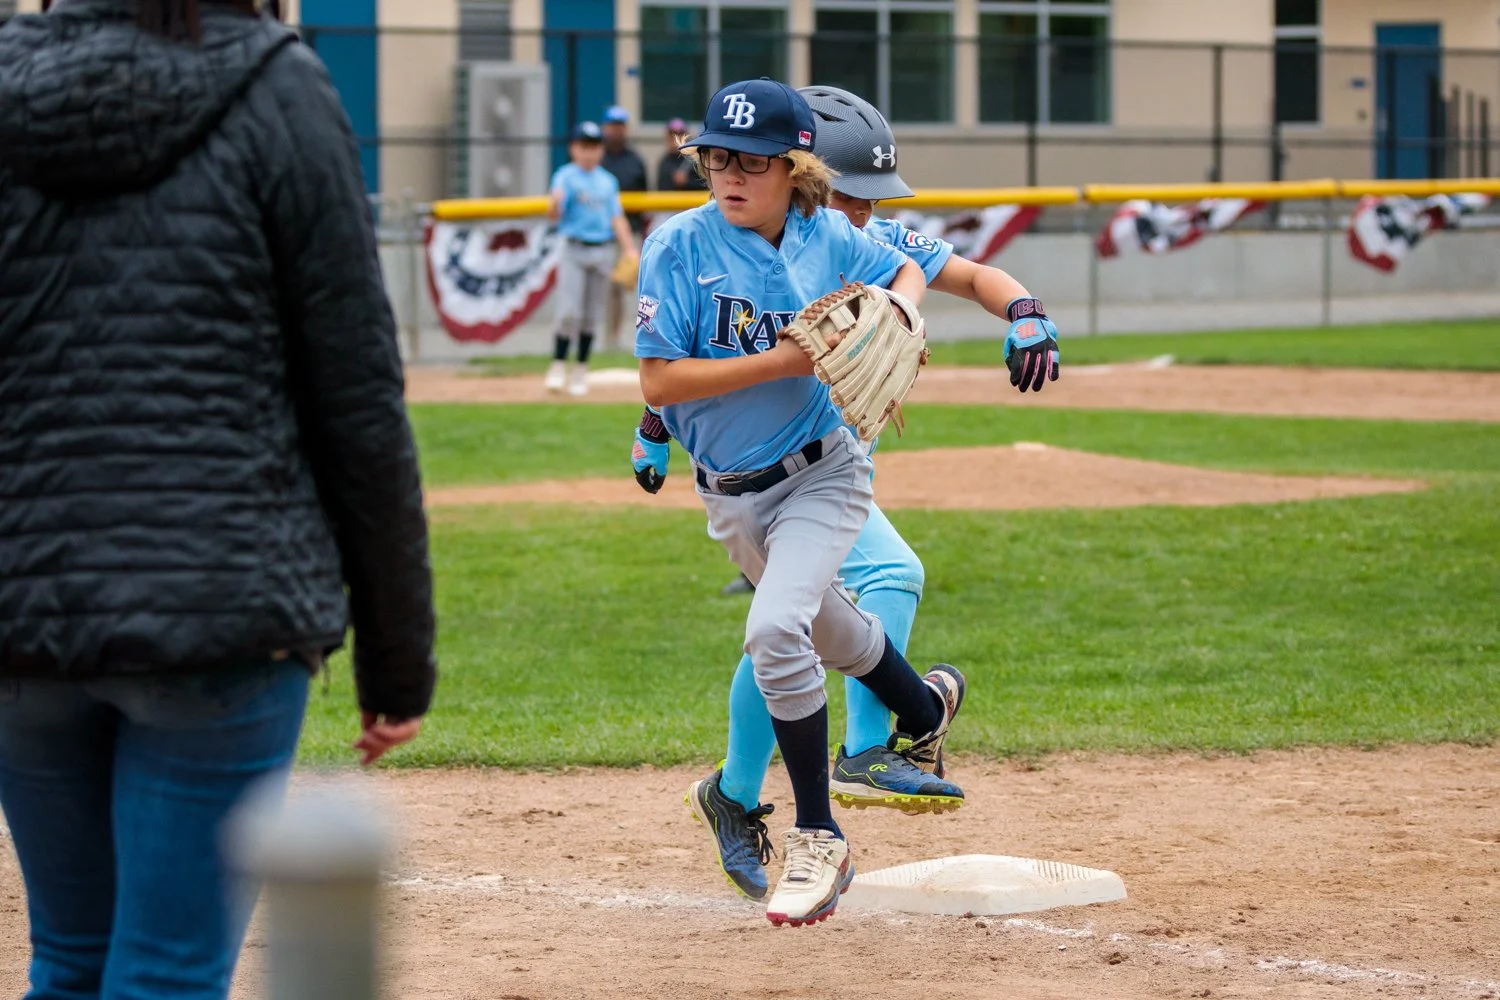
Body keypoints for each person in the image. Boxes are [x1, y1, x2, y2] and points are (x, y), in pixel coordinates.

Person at [0, 1, 436, 997]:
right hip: (219, 614)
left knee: (66, 964)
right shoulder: (277, 79)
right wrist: (397, 657)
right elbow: (356, 395)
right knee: (165, 972)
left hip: (24, 615)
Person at [632, 84, 1060, 901]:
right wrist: (661, 422)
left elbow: (939, 272)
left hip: (825, 466)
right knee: (822, 626)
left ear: (795, 171)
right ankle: (922, 712)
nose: (728, 173)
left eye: (749, 161)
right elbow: (667, 369)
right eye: (715, 157)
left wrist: (983, 311)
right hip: (732, 490)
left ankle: (821, 824)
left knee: (785, 624)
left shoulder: (839, 235)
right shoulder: (684, 244)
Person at [544, 120, 638, 396]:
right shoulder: (565, 176)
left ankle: (581, 371)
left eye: (594, 146)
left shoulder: (607, 181)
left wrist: (629, 248)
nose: (589, 152)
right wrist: (554, 204)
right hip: (574, 248)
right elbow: (553, 215)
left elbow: (616, 217)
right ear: (573, 148)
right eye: (584, 146)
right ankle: (558, 365)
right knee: (568, 312)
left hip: (603, 250)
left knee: (590, 315)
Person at [601, 104, 649, 350]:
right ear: (605, 128)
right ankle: (608, 339)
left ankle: (627, 339)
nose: (616, 130)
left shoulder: (635, 160)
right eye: (612, 126)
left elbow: (645, 197)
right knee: (607, 290)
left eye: (620, 126)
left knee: (630, 286)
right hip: (600, 234)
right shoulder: (597, 158)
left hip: (628, 233)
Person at [656, 117, 708, 193]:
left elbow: (706, 187)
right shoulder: (663, 163)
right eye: (672, 134)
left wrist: (687, 182)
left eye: (679, 134)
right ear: (667, 137)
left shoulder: (696, 160)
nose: (675, 138)